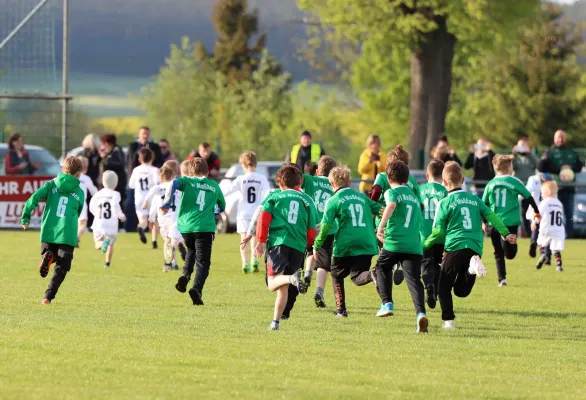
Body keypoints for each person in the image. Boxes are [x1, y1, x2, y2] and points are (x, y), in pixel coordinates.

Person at [424, 162, 515, 329]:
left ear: (444, 182)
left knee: (443, 287)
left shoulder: (444, 203)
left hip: (454, 247)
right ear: (463, 180)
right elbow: (492, 216)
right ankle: (470, 269)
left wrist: (425, 245)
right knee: (461, 291)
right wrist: (505, 233)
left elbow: (438, 233)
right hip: (474, 248)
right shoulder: (475, 200)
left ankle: (449, 321)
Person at [255, 164, 317, 331]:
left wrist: (260, 241)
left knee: (273, 284)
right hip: (298, 246)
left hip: (279, 242)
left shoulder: (276, 197)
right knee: (282, 288)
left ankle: (292, 279)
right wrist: (309, 244)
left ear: (280, 183)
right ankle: (275, 323)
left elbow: (264, 217)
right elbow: (312, 228)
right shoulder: (307, 200)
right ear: (299, 182)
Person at [314, 165, 381, 318]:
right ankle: (372, 275)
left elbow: (325, 227)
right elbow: (380, 209)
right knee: (357, 276)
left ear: (332, 184)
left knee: (336, 274)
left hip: (345, 243)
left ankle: (341, 311)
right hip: (367, 243)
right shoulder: (362, 197)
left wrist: (316, 245)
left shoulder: (334, 200)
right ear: (350, 182)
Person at [21, 156, 85, 304]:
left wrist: (26, 217)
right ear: (78, 174)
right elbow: (79, 210)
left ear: (63, 170)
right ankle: (47, 297)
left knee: (50, 254)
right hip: (67, 233)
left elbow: (34, 198)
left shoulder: (51, 185)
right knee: (62, 266)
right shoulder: (80, 192)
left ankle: (49, 255)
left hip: (48, 231)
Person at [374, 161, 429, 333]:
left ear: (388, 178)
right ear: (407, 178)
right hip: (413, 244)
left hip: (394, 242)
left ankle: (387, 303)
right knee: (414, 280)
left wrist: (381, 227)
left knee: (381, 267)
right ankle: (420, 314)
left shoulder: (392, 191)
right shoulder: (414, 196)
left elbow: (391, 205)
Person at [163, 158, 226, 306]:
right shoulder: (214, 186)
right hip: (204, 227)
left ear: (191, 172)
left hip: (186, 227)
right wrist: (211, 210)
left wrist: (167, 202)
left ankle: (185, 275)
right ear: (207, 171)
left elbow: (173, 183)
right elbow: (222, 206)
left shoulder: (186, 181)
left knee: (191, 250)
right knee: (203, 262)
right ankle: (196, 289)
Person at [482, 155, 540, 287]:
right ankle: (501, 279)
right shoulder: (514, 181)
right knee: (507, 254)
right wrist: (536, 211)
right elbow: (528, 197)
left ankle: (502, 278)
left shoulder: (490, 184)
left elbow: (484, 205)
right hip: (507, 222)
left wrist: (483, 222)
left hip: (496, 223)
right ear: (509, 167)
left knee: (499, 253)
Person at [370, 144, 422, 285]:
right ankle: (397, 265)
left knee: (385, 254)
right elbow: (419, 203)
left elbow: (375, 191)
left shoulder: (382, 176)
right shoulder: (411, 180)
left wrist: (372, 206)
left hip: (385, 220)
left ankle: (384, 288)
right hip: (407, 223)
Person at [221, 151, 271, 274]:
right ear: (256, 164)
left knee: (244, 238)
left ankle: (245, 263)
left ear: (243, 165)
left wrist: (217, 196)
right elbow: (267, 193)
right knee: (254, 236)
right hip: (257, 212)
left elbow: (228, 190)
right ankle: (254, 260)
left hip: (243, 213)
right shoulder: (261, 178)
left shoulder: (241, 179)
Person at [301, 156, 337, 308]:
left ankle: (308, 273)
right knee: (323, 263)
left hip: (310, 224)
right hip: (327, 227)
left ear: (317, 170)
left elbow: (297, 175)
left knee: (310, 252)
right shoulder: (334, 185)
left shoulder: (310, 180)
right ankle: (319, 291)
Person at [537, 130, 583, 238]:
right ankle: (549, 235)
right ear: (554, 138)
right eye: (558, 137)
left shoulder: (571, 152)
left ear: (565, 138)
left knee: (569, 214)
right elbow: (541, 167)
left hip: (569, 188)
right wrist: (559, 170)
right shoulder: (550, 152)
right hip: (553, 189)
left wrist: (570, 168)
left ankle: (569, 236)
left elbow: (579, 167)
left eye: (562, 137)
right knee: (551, 213)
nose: (560, 139)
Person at [143, 163, 185, 272]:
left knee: (167, 241)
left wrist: (151, 219)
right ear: (172, 176)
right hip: (176, 218)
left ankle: (168, 264)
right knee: (174, 239)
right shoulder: (178, 189)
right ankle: (175, 259)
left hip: (164, 219)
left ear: (160, 177)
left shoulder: (158, 189)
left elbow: (154, 206)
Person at [418, 160, 448, 309]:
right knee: (438, 265)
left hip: (424, 234)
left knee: (426, 263)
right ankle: (434, 292)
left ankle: (428, 286)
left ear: (427, 174)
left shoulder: (419, 190)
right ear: (443, 176)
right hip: (441, 234)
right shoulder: (445, 191)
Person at [89, 171, 127, 268]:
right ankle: (107, 263)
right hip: (111, 223)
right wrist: (121, 215)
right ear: (116, 183)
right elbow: (115, 206)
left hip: (99, 222)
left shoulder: (98, 194)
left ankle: (102, 244)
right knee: (111, 243)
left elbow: (91, 206)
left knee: (98, 243)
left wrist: (96, 214)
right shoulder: (116, 194)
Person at [128, 148, 160, 247]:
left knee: (143, 220)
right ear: (152, 158)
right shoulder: (154, 170)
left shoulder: (136, 170)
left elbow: (131, 185)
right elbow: (157, 183)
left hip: (139, 199)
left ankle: (141, 227)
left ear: (139, 159)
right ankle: (154, 241)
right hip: (152, 198)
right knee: (154, 220)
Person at [535, 181, 566, 272]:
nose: (541, 194)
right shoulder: (559, 203)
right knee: (555, 248)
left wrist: (535, 221)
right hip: (559, 229)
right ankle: (559, 265)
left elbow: (538, 214)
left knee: (541, 243)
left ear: (548, 192)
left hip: (546, 228)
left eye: (542, 192)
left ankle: (544, 254)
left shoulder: (545, 202)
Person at [99, 134, 127, 210]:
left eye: (105, 143)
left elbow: (120, 164)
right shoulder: (110, 152)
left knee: (117, 206)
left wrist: (105, 159)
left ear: (108, 143)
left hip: (118, 185)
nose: (104, 146)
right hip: (110, 184)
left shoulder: (117, 151)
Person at [76, 156, 98, 246]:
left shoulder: (70, 177)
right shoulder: (86, 178)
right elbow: (94, 191)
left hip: (70, 202)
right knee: (82, 223)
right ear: (86, 168)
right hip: (81, 203)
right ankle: (75, 239)